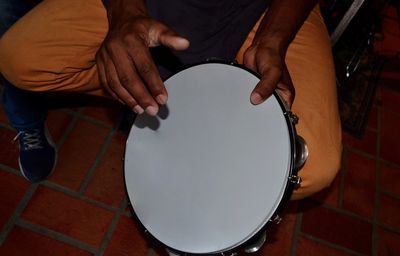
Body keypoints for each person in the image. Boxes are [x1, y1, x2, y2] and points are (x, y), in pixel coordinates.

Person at [0, 0, 342, 200]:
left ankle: (206, 191)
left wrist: (273, 38)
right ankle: (142, 89)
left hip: (265, 8)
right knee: (19, 57)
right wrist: (125, 13)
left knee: (309, 165)